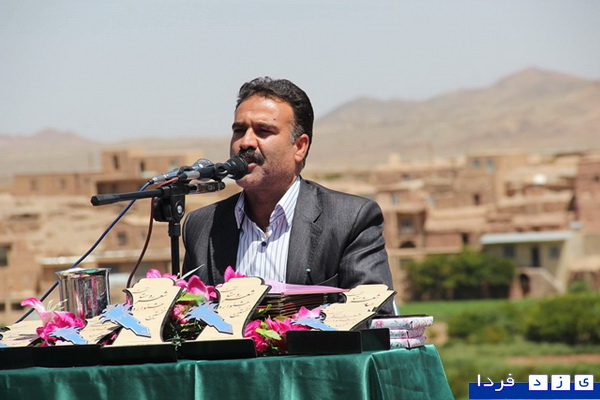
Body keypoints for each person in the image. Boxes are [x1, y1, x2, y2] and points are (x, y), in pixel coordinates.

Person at [182, 77, 394, 314]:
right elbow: (190, 316)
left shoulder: (349, 220)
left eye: (263, 131)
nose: (245, 142)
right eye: (239, 130)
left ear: (299, 147)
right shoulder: (202, 226)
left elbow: (375, 316)